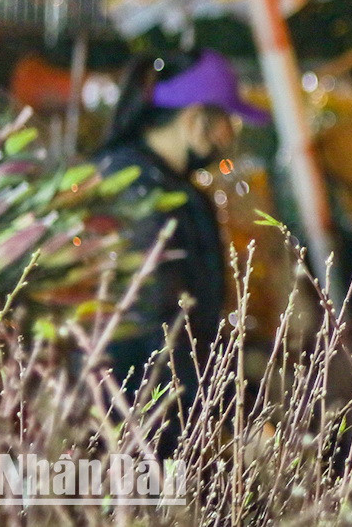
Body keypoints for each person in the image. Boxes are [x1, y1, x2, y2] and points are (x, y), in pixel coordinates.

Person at [97, 49, 269, 434]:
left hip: (144, 409)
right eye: (226, 121)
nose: (228, 136)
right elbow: (166, 330)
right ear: (194, 119)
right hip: (143, 422)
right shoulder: (143, 195)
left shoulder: (138, 180)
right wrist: (232, 414)